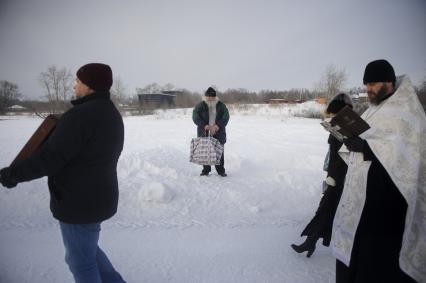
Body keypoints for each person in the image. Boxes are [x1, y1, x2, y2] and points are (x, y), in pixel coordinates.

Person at [0, 63, 126, 283]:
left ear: (89, 85)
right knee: (87, 250)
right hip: (98, 197)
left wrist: (12, 175)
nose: (74, 85)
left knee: (81, 263)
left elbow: (49, 159)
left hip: (78, 202)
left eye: (78, 81)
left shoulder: (79, 116)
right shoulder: (111, 113)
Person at [331, 59, 425, 283]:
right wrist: (352, 140)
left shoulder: (408, 111)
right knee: (357, 252)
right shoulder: (375, 109)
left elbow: (408, 151)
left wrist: (366, 147)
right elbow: (371, 136)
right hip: (363, 199)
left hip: (389, 203)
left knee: (378, 262)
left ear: (389, 82)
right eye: (366, 84)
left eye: (373, 84)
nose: (368, 89)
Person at [291, 93, 353, 257]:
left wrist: (332, 177)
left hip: (341, 178)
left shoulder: (348, 128)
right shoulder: (340, 127)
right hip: (336, 176)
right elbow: (333, 154)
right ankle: (310, 242)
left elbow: (340, 157)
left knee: (330, 211)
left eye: (333, 114)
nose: (331, 117)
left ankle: (312, 243)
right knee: (326, 210)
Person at [192, 87, 230, 177]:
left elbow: (226, 116)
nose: (210, 98)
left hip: (218, 131)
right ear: (206, 96)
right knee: (205, 151)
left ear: (215, 97)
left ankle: (221, 171)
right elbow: (195, 116)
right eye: (208, 96)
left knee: (219, 150)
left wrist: (218, 125)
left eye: (212, 96)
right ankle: (206, 170)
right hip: (204, 131)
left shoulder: (221, 105)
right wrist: (203, 125)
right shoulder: (200, 105)